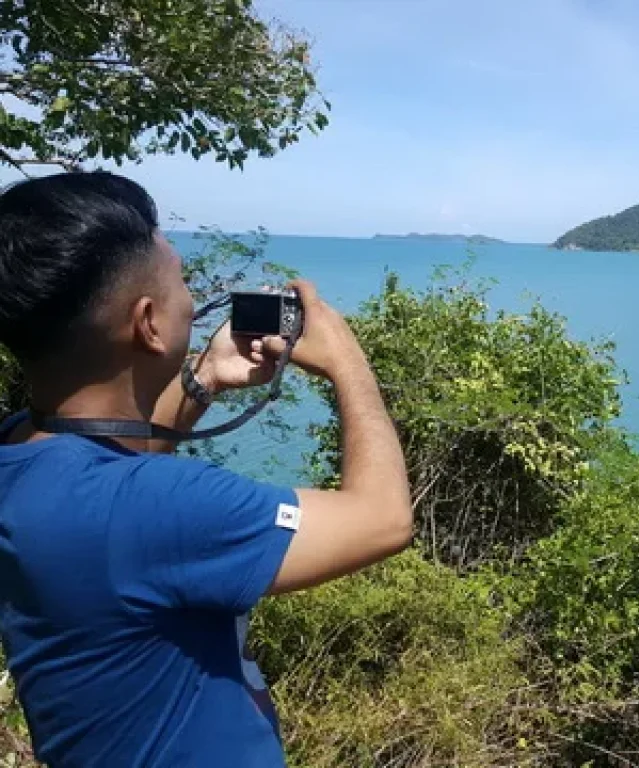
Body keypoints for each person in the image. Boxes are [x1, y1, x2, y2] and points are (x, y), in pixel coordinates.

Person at [0, 171, 413, 767]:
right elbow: (382, 520)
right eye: (183, 285)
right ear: (148, 324)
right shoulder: (162, 506)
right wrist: (349, 363)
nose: (192, 300)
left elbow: (110, 465)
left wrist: (205, 375)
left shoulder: (19, 450)